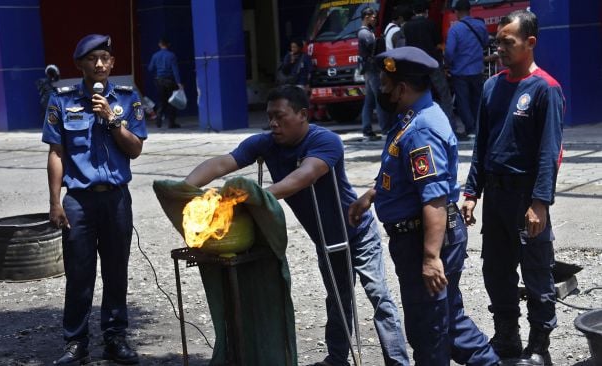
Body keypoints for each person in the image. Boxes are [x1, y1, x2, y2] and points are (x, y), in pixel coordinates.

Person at [185, 85, 409, 366]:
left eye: (280, 116)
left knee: (379, 297)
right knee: (337, 300)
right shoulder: (265, 143)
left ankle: (398, 362)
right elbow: (223, 163)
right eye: (270, 117)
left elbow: (305, 176)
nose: (273, 124)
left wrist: (254, 196)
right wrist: (183, 187)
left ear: (303, 114)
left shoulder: (326, 141)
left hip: (357, 232)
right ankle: (337, 360)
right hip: (324, 238)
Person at [348, 46, 500, 365]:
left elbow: (433, 197)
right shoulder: (410, 118)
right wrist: (373, 194)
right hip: (419, 235)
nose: (383, 92)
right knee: (443, 322)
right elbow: (404, 176)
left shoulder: (421, 129)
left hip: (427, 238)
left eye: (387, 85)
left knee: (431, 329)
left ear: (402, 88)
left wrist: (431, 258)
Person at [461, 10, 564, 366]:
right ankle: (506, 336)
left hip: (526, 196)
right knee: (496, 268)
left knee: (536, 272)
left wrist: (540, 203)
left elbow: (550, 152)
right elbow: (481, 145)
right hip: (497, 195)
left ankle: (539, 346)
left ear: (529, 43)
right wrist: (471, 192)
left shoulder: (545, 89)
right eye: (498, 42)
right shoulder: (492, 87)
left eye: (508, 42)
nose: (500, 49)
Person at [42, 34, 147, 365]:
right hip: (79, 201)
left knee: (116, 272)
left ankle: (115, 338)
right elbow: (57, 153)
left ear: (112, 63)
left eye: (105, 58)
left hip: (116, 199)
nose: (99, 64)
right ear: (80, 64)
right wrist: (55, 201)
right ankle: (76, 343)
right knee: (79, 273)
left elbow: (135, 149)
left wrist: (112, 120)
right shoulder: (62, 101)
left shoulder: (127, 99)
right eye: (92, 58)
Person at [403, 1, 457, 134]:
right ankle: (450, 127)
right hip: (432, 64)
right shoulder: (430, 24)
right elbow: (438, 43)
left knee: (420, 96)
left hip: (416, 67)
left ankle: (420, 127)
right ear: (426, 11)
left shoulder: (407, 27)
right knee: (444, 95)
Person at [444, 0, 489, 140]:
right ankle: (480, 127)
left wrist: (448, 65)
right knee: (478, 100)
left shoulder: (455, 29)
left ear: (457, 12)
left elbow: (449, 52)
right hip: (477, 69)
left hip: (460, 71)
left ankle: (470, 128)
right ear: (470, 10)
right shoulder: (480, 25)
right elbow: (486, 43)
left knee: (463, 101)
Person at [358, 6, 388, 141]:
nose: (375, 20)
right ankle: (385, 129)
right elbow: (373, 48)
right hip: (372, 70)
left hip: (369, 70)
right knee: (379, 99)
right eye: (373, 17)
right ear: (366, 17)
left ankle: (367, 129)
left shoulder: (367, 32)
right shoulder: (365, 33)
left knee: (369, 100)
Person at [148, 36, 183, 128]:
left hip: (159, 81)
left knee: (162, 101)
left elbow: (150, 68)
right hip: (170, 81)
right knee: (172, 101)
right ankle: (171, 123)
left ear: (160, 44)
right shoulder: (171, 55)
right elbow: (175, 70)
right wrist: (179, 83)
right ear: (169, 44)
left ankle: (158, 121)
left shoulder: (155, 55)